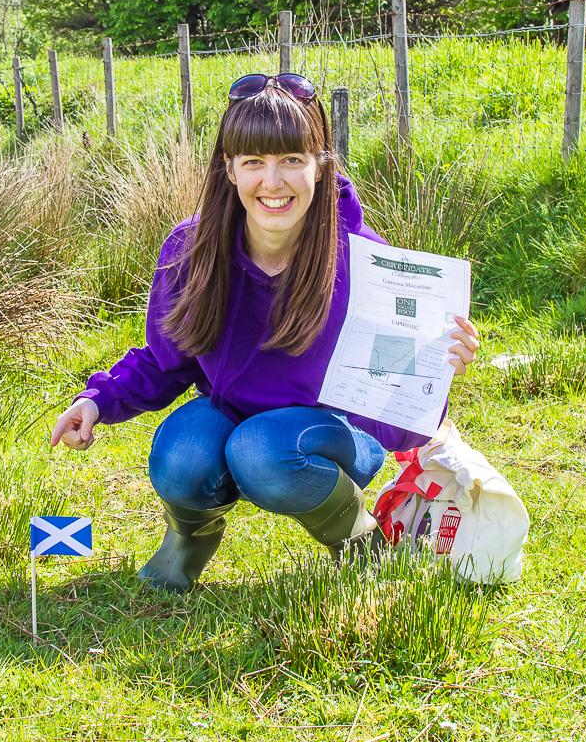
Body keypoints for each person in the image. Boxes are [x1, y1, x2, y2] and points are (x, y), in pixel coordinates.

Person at [51, 72, 480, 592]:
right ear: (229, 168)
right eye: (254, 162)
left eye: (292, 161)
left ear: (320, 165)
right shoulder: (190, 252)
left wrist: (433, 370)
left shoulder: (367, 263)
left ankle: (358, 539)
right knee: (181, 452)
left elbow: (394, 413)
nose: (272, 183)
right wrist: (99, 401)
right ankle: (187, 542)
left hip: (334, 433)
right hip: (230, 416)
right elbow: (167, 361)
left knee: (260, 448)